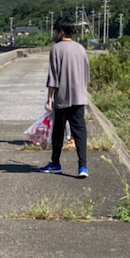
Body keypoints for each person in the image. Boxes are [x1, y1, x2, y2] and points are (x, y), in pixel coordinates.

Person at [39, 17, 90, 178]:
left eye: (55, 31)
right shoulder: (81, 49)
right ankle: (83, 167)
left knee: (58, 132)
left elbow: (53, 77)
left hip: (62, 98)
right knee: (80, 132)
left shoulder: (56, 49)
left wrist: (49, 98)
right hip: (79, 97)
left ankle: (55, 163)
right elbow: (86, 75)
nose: (55, 34)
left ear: (61, 31)